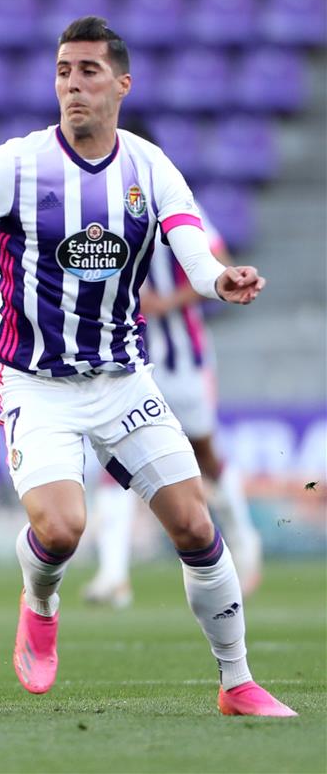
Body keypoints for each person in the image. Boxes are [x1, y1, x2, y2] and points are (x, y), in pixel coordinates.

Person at [0, 17, 294, 717]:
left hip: (123, 377)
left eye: (89, 72)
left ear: (122, 85)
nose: (73, 85)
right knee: (63, 527)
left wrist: (220, 280)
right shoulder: (14, 165)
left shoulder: (148, 167)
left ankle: (237, 681)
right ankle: (40, 598)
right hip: (37, 383)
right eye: (64, 71)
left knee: (194, 524)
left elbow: (193, 254)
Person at [84, 124, 262, 608]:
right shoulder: (94, 207)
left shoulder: (168, 195)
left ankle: (245, 540)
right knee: (115, 460)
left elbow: (218, 258)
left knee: (205, 454)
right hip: (127, 358)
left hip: (182, 357)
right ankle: (113, 575)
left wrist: (167, 302)